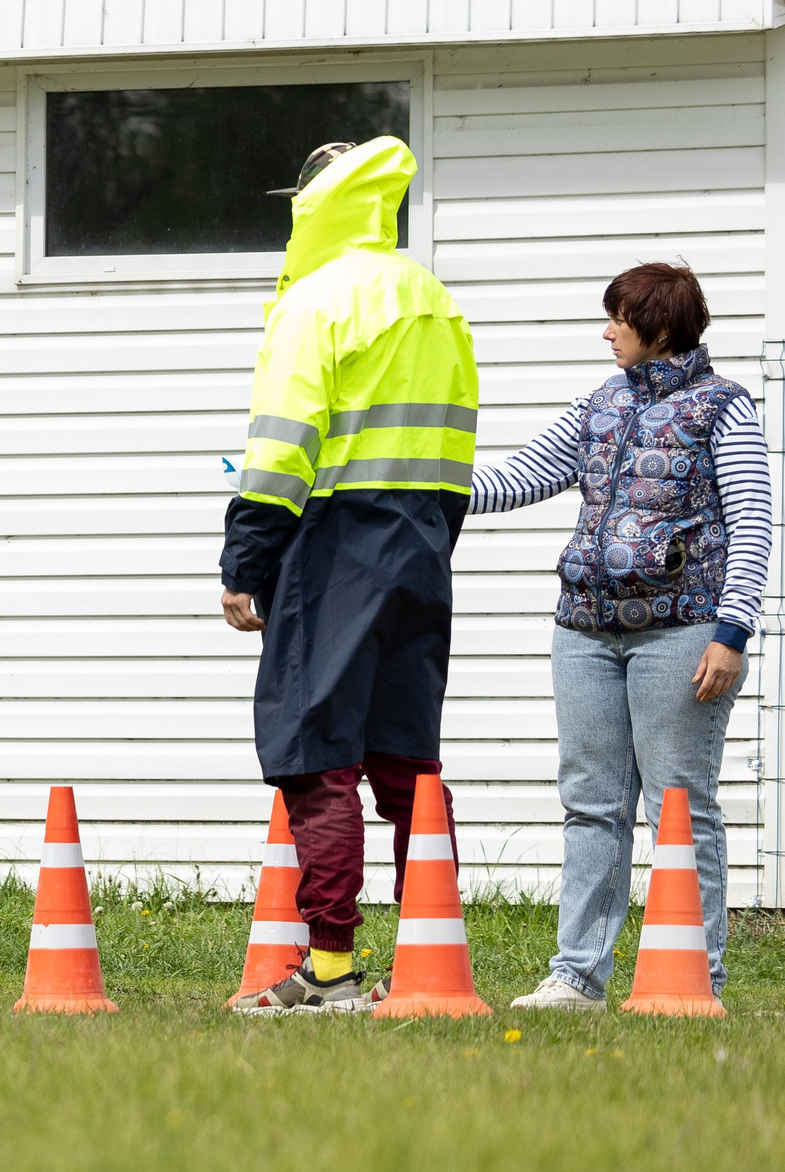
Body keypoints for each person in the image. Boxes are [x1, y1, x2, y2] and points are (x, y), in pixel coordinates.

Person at [219, 137, 480, 1015]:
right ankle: (427, 963)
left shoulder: (315, 300)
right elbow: (454, 442)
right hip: (422, 544)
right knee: (408, 760)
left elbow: (282, 447)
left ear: (314, 202)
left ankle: (329, 968)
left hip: (333, 545)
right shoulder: (434, 300)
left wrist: (245, 561)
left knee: (314, 750)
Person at [464, 263, 766, 1010]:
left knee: (678, 805)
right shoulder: (599, 404)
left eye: (618, 320)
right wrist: (418, 483)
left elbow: (755, 522)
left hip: (684, 634)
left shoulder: (723, 408)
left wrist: (732, 630)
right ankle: (577, 976)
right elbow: (518, 477)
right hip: (585, 633)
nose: (607, 332)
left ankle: (694, 978)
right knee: (592, 802)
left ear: (658, 326)